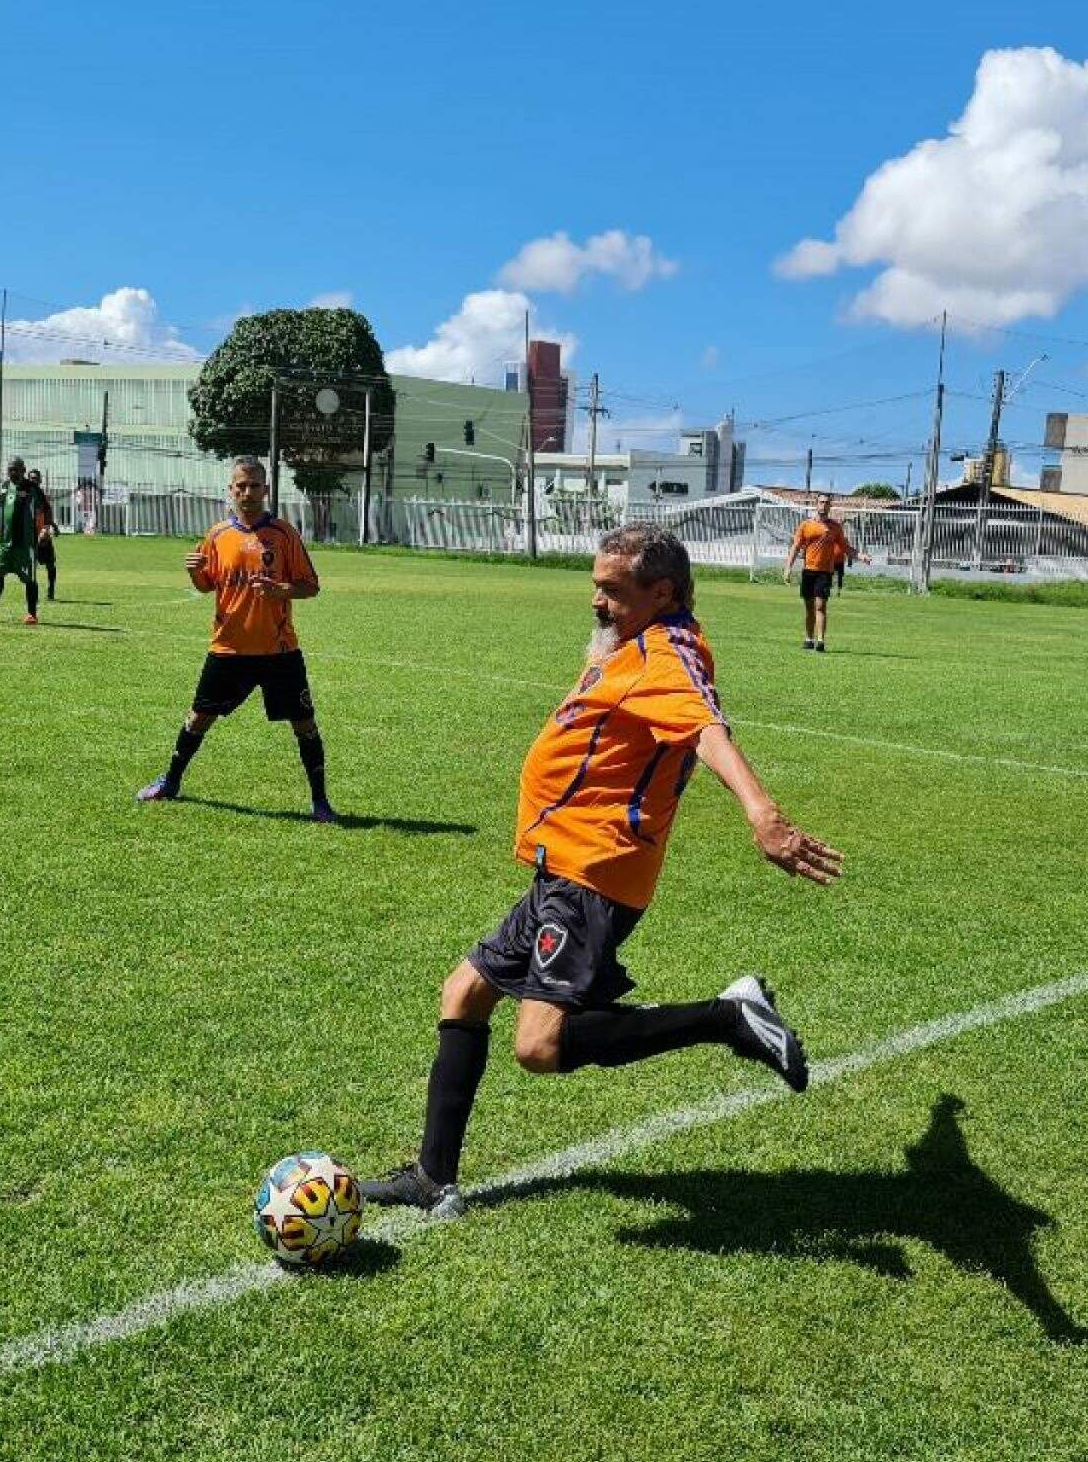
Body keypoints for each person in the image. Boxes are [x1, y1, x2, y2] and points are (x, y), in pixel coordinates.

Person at [363, 524, 842, 1218]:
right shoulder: (632, 645)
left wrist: (763, 814)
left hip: (594, 873)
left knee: (539, 1045)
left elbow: (708, 731)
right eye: (595, 585)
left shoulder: (666, 658)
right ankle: (433, 1178)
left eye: (613, 591)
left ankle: (727, 1017)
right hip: (563, 866)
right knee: (464, 993)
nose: (597, 601)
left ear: (662, 592)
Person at [137, 456, 337, 821]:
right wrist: (194, 573)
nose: (247, 492)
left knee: (304, 724)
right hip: (229, 648)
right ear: (231, 490)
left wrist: (280, 591)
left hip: (279, 651)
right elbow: (206, 585)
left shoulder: (284, 534)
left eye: (254, 486)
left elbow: (311, 587)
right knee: (198, 717)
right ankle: (171, 782)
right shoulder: (217, 535)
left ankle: (321, 802)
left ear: (266, 490)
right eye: (240, 486)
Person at [0, 458, 46, 625]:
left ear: (23, 470)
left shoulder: (32, 488)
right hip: (5, 543)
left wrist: (44, 529)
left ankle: (32, 615)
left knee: (29, 579)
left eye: (16, 469)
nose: (12, 473)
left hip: (25, 545)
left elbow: (44, 509)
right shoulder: (4, 487)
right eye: (10, 469)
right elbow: (1, 508)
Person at [781, 492, 853, 651]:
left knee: (820, 606)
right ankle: (808, 639)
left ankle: (820, 641)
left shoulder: (835, 527)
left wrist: (860, 555)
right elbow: (795, 547)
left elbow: (845, 546)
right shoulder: (806, 525)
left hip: (825, 572)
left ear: (830, 506)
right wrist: (788, 568)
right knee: (809, 607)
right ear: (816, 504)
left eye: (827, 502)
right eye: (821, 502)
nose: (824, 505)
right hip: (808, 571)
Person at [26, 467, 60, 601]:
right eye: (31, 478)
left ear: (40, 480)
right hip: (29, 536)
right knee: (31, 567)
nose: (33, 480)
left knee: (50, 564)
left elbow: (48, 516)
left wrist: (53, 527)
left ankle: (51, 590)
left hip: (43, 535)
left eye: (36, 478)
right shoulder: (24, 496)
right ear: (28, 479)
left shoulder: (43, 497)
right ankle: (32, 594)